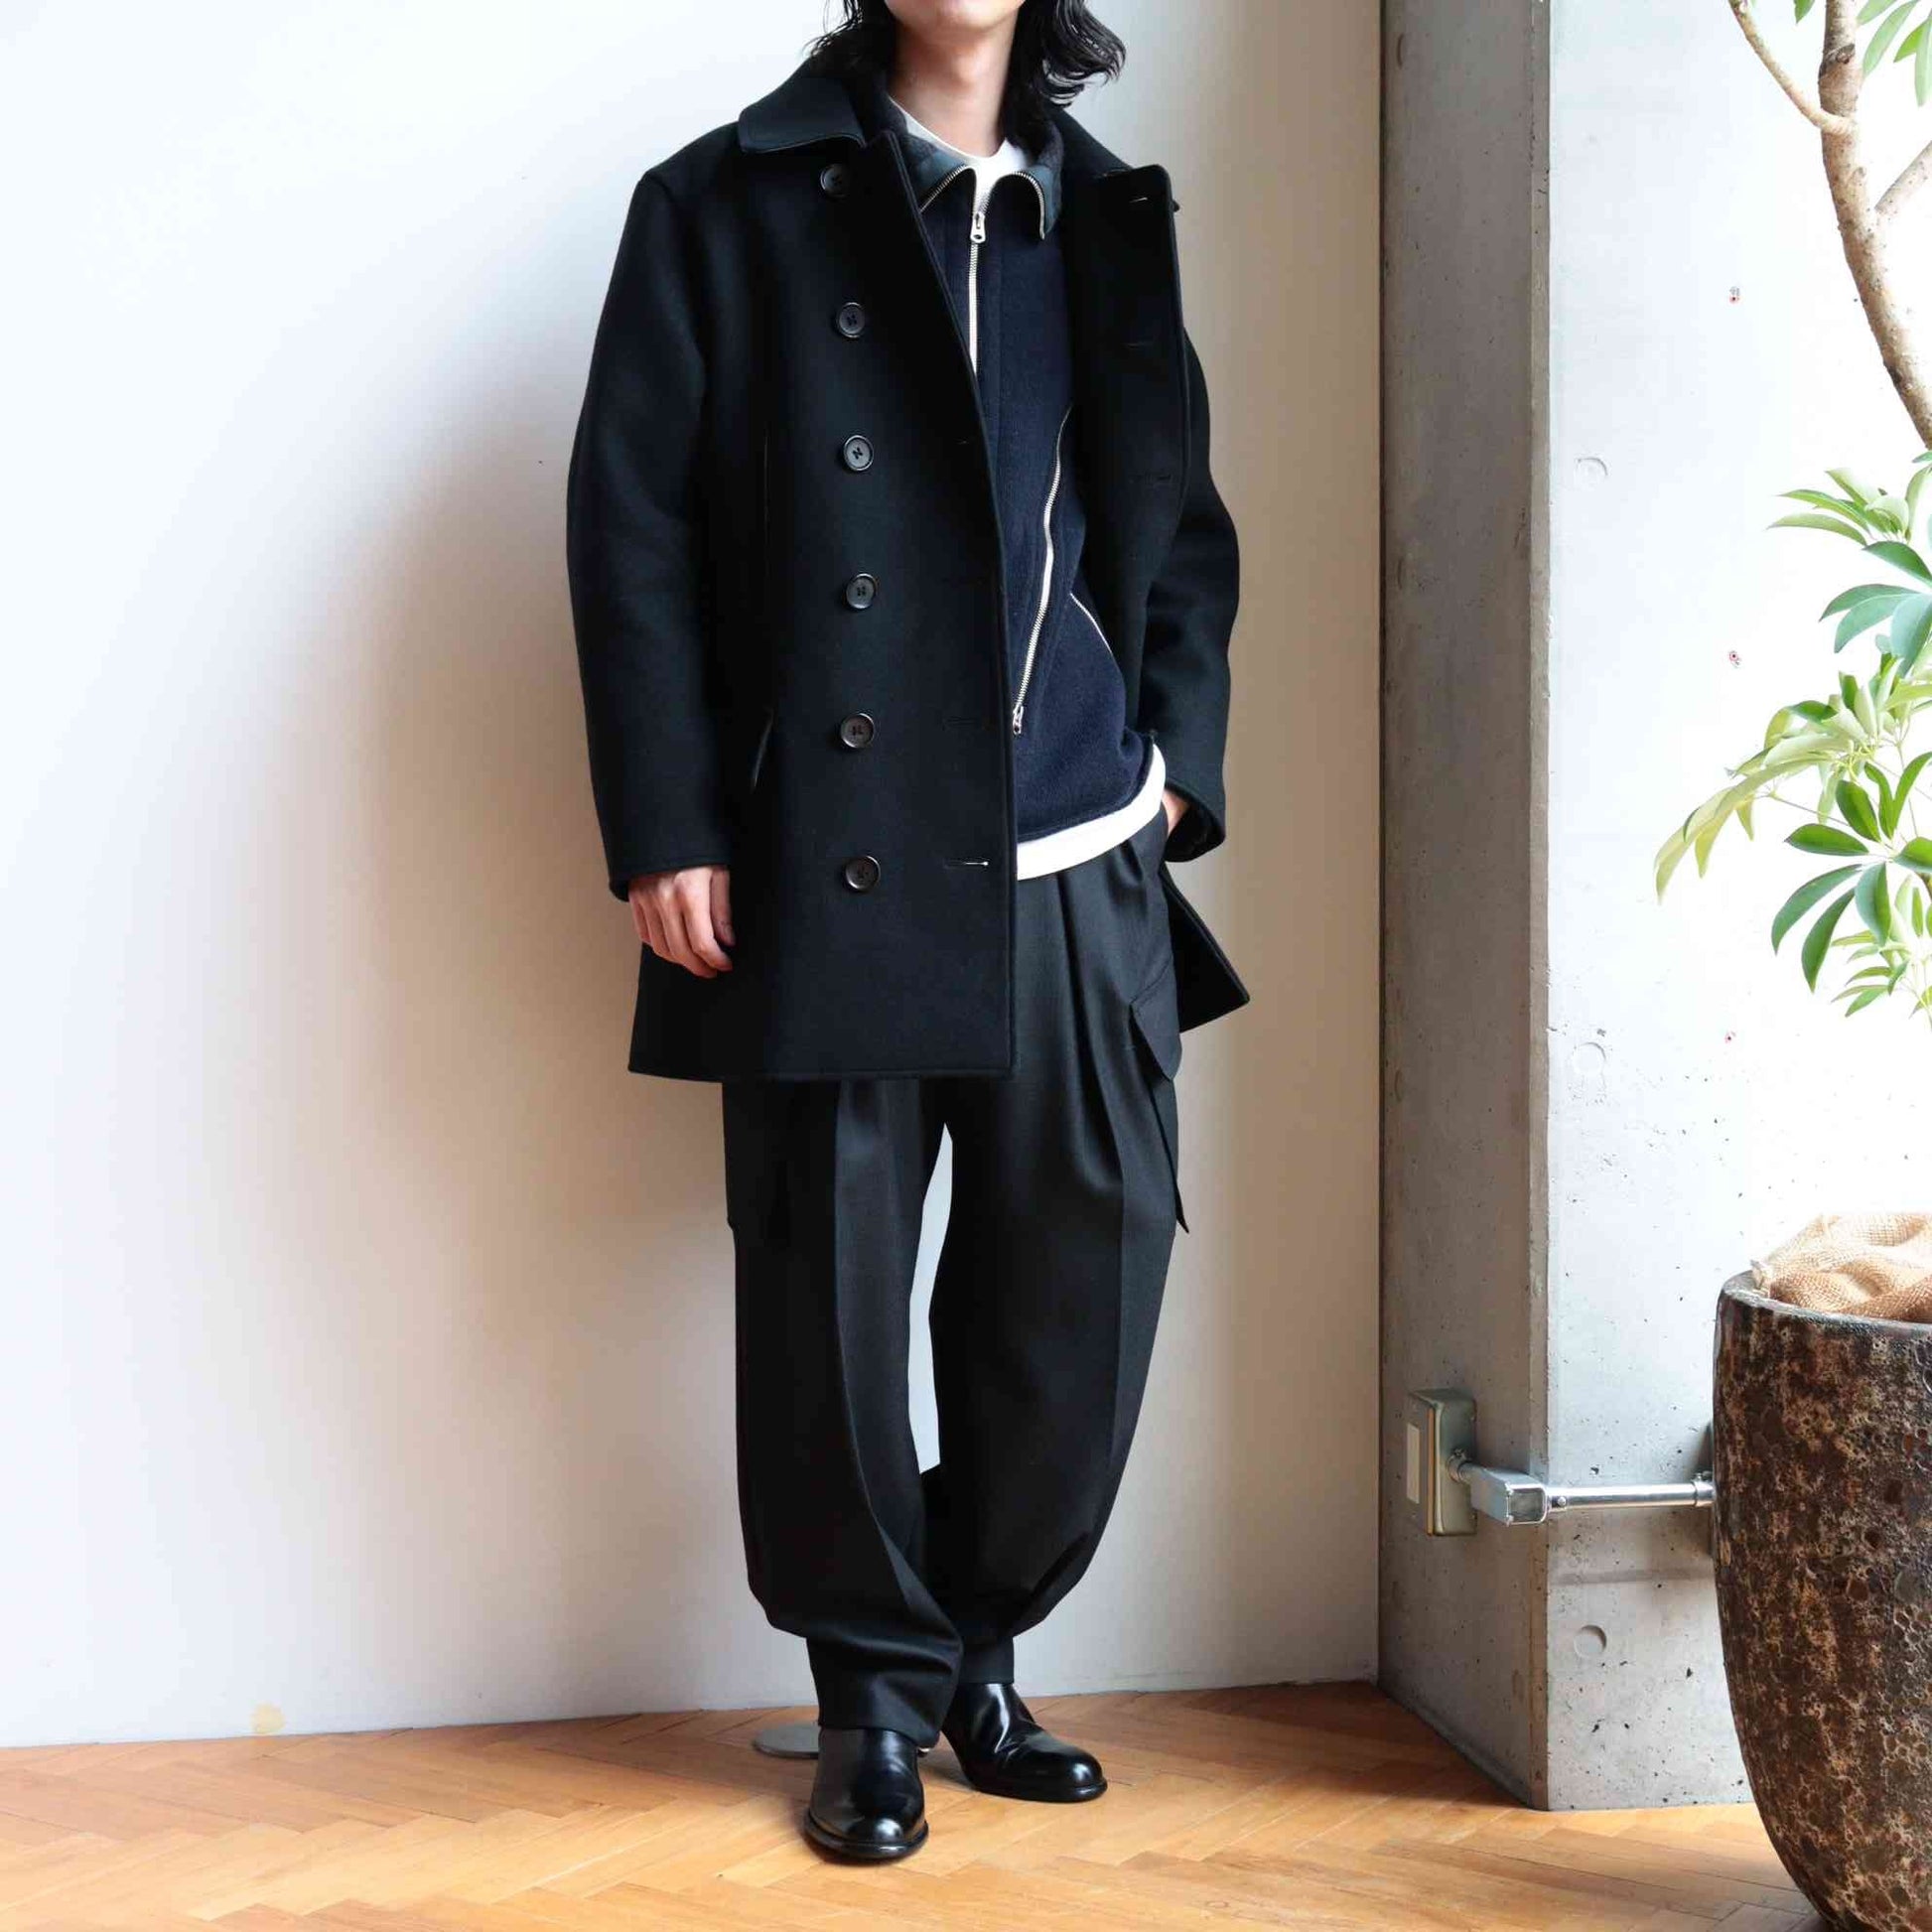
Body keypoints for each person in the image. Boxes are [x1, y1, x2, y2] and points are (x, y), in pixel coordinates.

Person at [565, 0, 1246, 1863]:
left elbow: (1177, 517)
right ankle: (873, 1692)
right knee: (831, 1301)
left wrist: (1175, 762)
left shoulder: (1106, 210)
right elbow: (630, 529)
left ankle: (973, 1639)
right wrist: (672, 823)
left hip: (1080, 843)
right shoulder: (722, 201)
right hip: (831, 851)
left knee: (1084, 1279)